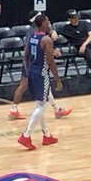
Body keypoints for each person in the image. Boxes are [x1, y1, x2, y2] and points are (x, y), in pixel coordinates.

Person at [18, 14, 61, 149]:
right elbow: (51, 61)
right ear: (42, 23)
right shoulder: (46, 39)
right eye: (47, 20)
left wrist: (29, 70)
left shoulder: (32, 36)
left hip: (32, 71)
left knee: (39, 104)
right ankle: (26, 135)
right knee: (42, 106)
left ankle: (46, 135)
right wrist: (57, 79)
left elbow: (25, 55)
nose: (49, 22)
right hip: (42, 73)